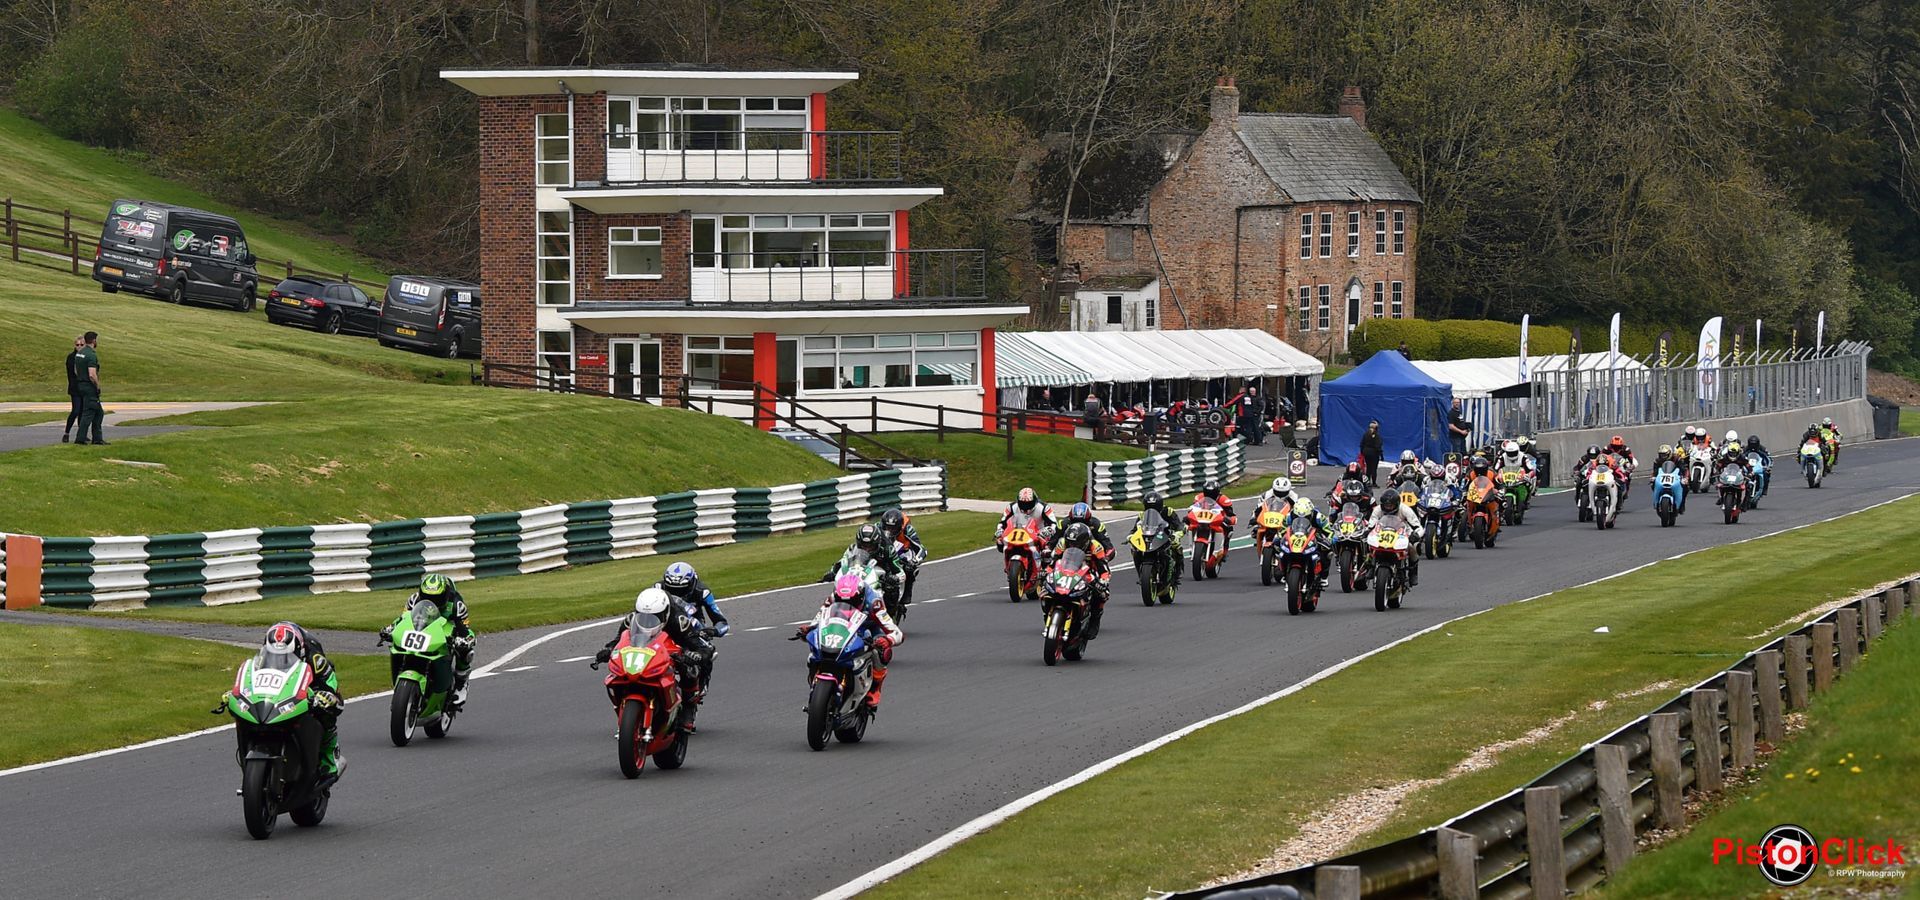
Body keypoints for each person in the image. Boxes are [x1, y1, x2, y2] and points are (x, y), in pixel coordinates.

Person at [596, 587, 716, 731]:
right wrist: (608, 650)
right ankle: (626, 712)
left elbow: (701, 645)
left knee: (689, 669)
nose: (647, 621)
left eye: (655, 617)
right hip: (646, 646)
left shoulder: (679, 621)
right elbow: (619, 640)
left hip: (675, 644)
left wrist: (696, 655)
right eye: (643, 616)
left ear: (665, 613)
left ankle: (688, 708)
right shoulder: (631, 620)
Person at [793, 574, 903, 708]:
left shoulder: (874, 603)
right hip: (842, 625)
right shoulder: (832, 598)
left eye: (853, 601)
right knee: (814, 652)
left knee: (880, 651)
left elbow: (896, 632)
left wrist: (888, 640)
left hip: (868, 627)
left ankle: (875, 688)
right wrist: (808, 629)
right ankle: (816, 685)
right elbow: (819, 619)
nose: (847, 604)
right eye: (841, 600)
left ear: (861, 597)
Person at [253, 622, 344, 776]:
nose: (279, 660)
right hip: (280, 691)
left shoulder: (315, 659)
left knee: (328, 708)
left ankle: (330, 756)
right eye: (275, 655)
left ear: (299, 652)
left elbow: (333, 688)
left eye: (285, 657)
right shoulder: (262, 657)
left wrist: (326, 696)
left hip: (312, 686)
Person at [387, 573, 477, 707]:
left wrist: (464, 640)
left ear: (446, 595)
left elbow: (465, 630)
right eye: (428, 597)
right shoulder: (414, 600)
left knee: (465, 649)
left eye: (437, 598)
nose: (432, 601)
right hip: (423, 625)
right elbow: (403, 620)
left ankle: (461, 682)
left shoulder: (457, 605)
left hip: (448, 626)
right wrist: (390, 628)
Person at [1366, 490, 1424, 586]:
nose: (1388, 507)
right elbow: (1370, 525)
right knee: (1369, 543)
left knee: (1412, 547)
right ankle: (1371, 565)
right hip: (1382, 533)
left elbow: (1418, 527)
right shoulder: (1377, 510)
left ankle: (1413, 572)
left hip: (1403, 533)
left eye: (1391, 505)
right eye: (1386, 505)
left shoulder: (1405, 509)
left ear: (1397, 504)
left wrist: (1416, 535)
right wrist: (1367, 533)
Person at [877, 508, 926, 604]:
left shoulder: (907, 529)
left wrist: (914, 561)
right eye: (887, 528)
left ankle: (907, 591)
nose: (889, 531)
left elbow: (921, 549)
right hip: (883, 548)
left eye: (893, 529)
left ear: (900, 527)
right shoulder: (877, 527)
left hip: (902, 550)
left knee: (910, 567)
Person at [1140, 491, 1189, 584]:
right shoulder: (1142, 514)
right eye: (1149, 507)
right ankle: (1142, 572)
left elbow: (1179, 525)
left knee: (1176, 545)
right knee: (1134, 549)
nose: (1152, 510)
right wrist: (1131, 535)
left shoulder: (1168, 511)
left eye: (1154, 507)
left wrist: (1177, 534)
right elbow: (1136, 528)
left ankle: (1177, 572)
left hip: (1164, 536)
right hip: (1148, 537)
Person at [1287, 497, 1336, 588]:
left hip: (1314, 537)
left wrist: (1329, 539)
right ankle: (1282, 572)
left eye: (1306, 517)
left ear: (1311, 513)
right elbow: (1282, 528)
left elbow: (1329, 531)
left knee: (1327, 550)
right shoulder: (1290, 516)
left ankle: (1324, 577)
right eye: (1297, 517)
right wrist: (1280, 536)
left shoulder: (1319, 517)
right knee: (1278, 545)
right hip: (1295, 536)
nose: (1301, 519)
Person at [73, 331, 106, 446]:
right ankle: (80, 438)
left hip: (81, 385)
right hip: (89, 386)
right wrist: (97, 386)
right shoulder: (91, 355)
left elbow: (76, 370)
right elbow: (92, 374)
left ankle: (97, 438)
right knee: (88, 413)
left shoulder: (80, 353)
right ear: (94, 341)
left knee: (98, 413)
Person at [62, 336, 85, 443]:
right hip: (75, 388)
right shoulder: (71, 357)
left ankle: (81, 434)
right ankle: (66, 432)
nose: (79, 347)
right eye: (77, 345)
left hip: (84, 388)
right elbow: (75, 372)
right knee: (75, 410)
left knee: (82, 411)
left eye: (82, 345)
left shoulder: (85, 356)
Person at [1359, 420, 1384, 486]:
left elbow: (1362, 444)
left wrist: (1362, 452)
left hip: (1366, 453)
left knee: (1368, 468)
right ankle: (1374, 483)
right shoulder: (1377, 436)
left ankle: (1367, 482)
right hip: (1374, 454)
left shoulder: (1365, 434)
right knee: (1374, 468)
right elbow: (1378, 446)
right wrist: (1381, 455)